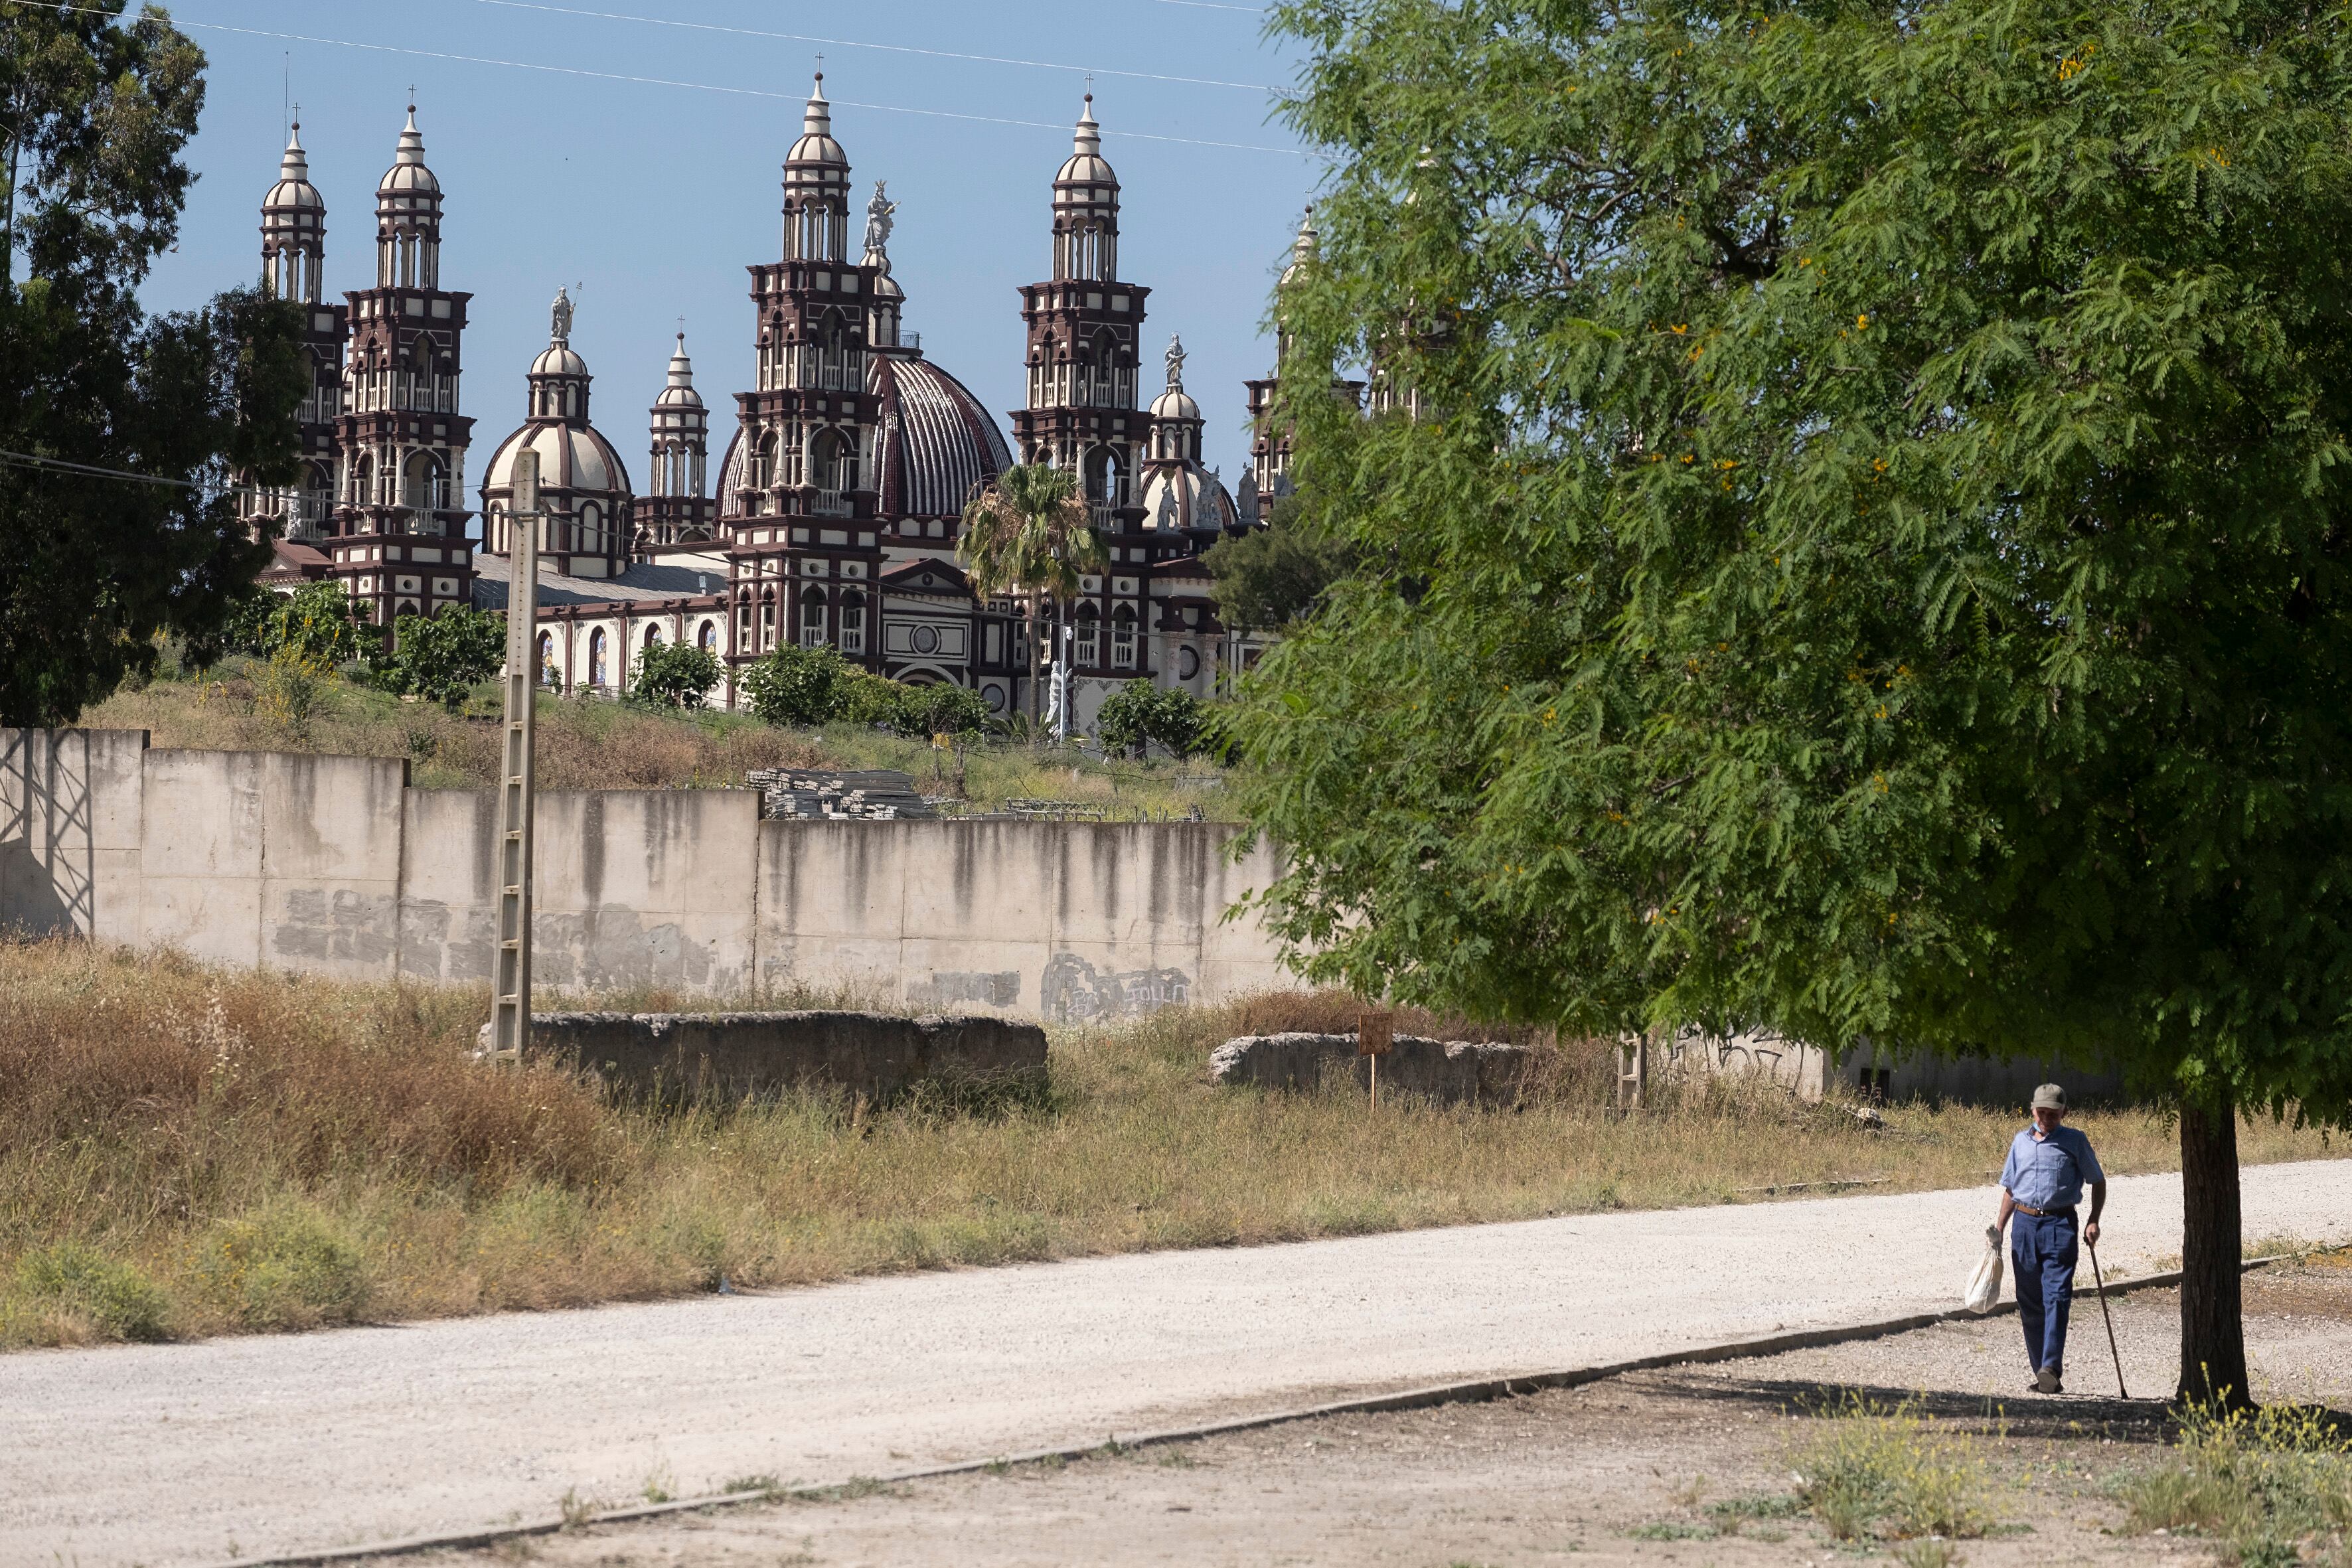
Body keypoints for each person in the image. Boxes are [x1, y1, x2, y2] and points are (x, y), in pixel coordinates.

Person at [1993, 1083, 2107, 1394]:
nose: (2046, 1119)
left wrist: (2094, 1219)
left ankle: (2050, 1367)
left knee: (2056, 1296)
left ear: (2064, 1113)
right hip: (2025, 1226)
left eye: (2053, 1115)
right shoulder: (2020, 1142)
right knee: (2029, 1303)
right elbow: (2011, 1190)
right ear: (2032, 1110)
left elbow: (2098, 1180)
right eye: (2041, 1113)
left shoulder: (2075, 1141)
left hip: (2060, 1225)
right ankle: (2042, 1373)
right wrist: (2000, 1228)